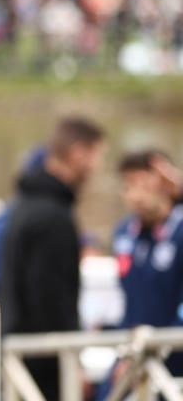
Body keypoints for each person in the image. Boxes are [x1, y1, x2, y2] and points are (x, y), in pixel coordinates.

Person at [0, 116, 106, 401]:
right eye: (96, 155)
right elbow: (53, 301)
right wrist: (73, 367)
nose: (97, 166)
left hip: (19, 356)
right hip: (43, 369)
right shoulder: (53, 216)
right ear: (78, 152)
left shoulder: (23, 206)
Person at [95, 150, 183, 398]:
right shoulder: (124, 233)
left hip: (173, 360)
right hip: (132, 356)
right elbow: (127, 302)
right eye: (129, 185)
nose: (137, 194)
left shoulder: (179, 230)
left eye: (144, 184)